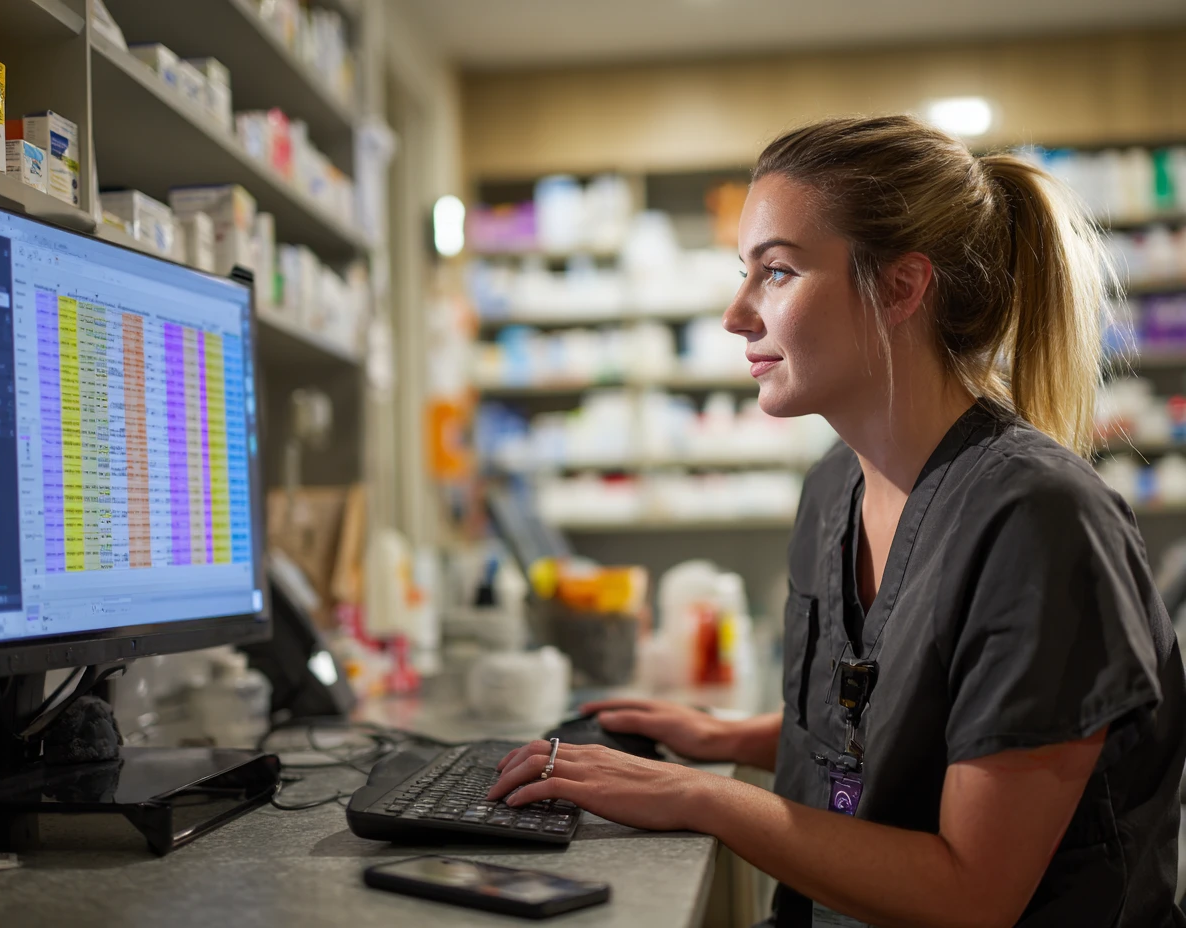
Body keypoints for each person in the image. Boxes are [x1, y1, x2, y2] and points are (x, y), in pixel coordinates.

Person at [488, 114, 1186, 927]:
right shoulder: (833, 492)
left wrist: (695, 797)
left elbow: (970, 894)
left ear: (901, 287)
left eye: (775, 273)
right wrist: (730, 740)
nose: (736, 314)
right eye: (742, 273)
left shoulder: (1038, 520)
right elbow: (892, 733)